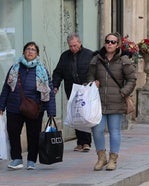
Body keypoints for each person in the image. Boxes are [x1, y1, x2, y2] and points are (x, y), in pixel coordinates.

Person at [0, 41, 56, 170]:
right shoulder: (14, 68)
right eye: (28, 49)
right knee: (13, 133)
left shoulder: (42, 70)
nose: (30, 51)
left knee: (33, 135)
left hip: (35, 108)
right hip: (14, 107)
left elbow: (49, 91)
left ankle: (31, 160)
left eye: (33, 50)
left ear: (37, 54)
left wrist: (51, 111)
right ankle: (17, 159)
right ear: (24, 52)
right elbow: (6, 88)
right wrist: (1, 106)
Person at [87, 32, 136, 171]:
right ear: (104, 43)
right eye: (107, 41)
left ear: (118, 44)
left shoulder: (124, 60)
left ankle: (113, 159)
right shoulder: (96, 59)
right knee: (97, 130)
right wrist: (92, 82)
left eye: (113, 42)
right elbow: (89, 76)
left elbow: (132, 79)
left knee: (115, 131)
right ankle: (101, 158)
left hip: (117, 101)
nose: (110, 44)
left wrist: (123, 92)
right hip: (99, 102)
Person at [52, 33, 93, 152]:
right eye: (70, 46)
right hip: (71, 90)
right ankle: (80, 142)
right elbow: (58, 72)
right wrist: (55, 85)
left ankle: (86, 142)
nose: (73, 48)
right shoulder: (65, 56)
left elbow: (94, 70)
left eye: (75, 45)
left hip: (85, 90)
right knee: (75, 115)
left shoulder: (89, 54)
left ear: (79, 43)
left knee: (84, 115)